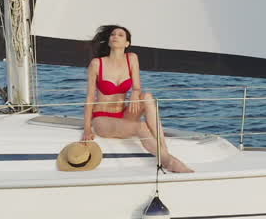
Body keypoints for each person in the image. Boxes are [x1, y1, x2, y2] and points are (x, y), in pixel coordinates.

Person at [81, 24, 192, 173]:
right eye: (112, 34)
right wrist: (87, 128)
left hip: (124, 114)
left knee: (147, 97)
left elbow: (137, 87)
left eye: (120, 35)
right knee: (141, 127)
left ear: (127, 43)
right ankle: (168, 161)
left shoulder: (131, 58)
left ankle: (164, 151)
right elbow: (89, 97)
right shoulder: (97, 64)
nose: (115, 37)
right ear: (108, 41)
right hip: (102, 119)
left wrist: (135, 92)